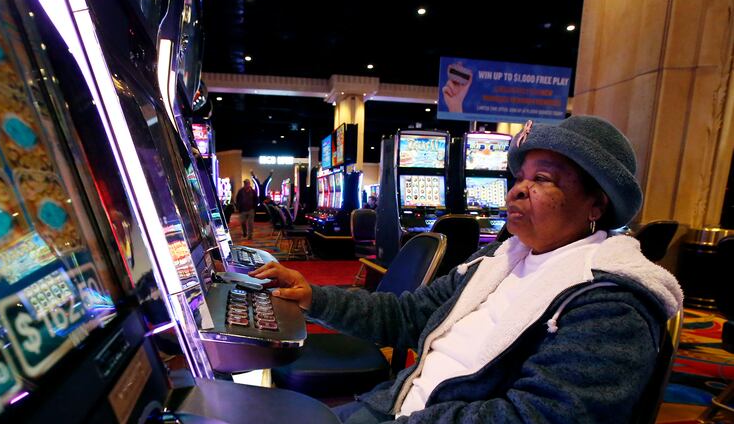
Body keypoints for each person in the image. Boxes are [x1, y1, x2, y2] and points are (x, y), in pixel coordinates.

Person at [250, 115, 683, 423]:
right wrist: (313, 296)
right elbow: (406, 314)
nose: (517, 191)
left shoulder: (608, 300)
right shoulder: (495, 260)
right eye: (519, 177)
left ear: (596, 203)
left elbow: (540, 415)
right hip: (398, 403)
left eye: (544, 179)